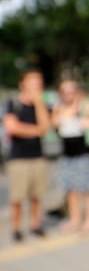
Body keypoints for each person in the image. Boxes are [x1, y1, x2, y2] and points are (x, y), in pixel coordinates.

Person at [51, 79, 89, 234]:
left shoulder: (87, 105)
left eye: (71, 91)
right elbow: (54, 123)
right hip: (67, 153)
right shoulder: (59, 108)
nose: (68, 95)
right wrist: (67, 112)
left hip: (85, 152)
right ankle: (75, 220)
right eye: (65, 91)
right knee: (71, 190)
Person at [2, 68, 51, 242]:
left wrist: (38, 103)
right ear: (23, 83)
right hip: (18, 158)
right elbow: (12, 128)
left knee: (36, 195)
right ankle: (16, 229)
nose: (36, 84)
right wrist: (36, 130)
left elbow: (45, 127)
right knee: (17, 197)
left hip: (37, 156)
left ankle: (35, 225)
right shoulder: (13, 103)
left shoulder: (41, 105)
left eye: (39, 81)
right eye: (32, 80)